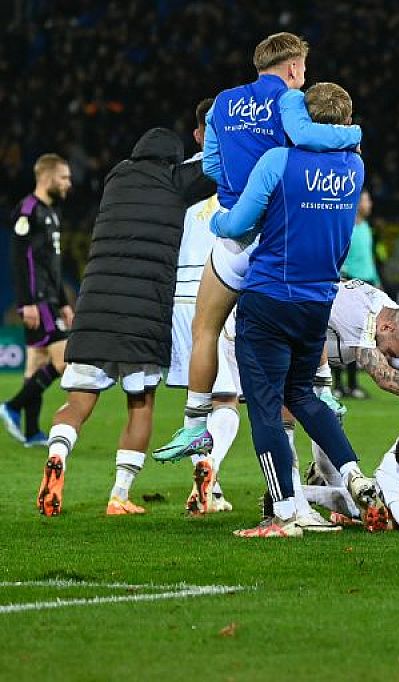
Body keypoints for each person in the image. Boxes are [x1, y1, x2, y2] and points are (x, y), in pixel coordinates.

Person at [155, 31, 361, 463]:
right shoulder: (290, 100)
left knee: (204, 327)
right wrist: (352, 136)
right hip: (279, 231)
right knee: (305, 303)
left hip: (234, 237)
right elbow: (308, 139)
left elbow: (211, 164)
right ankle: (323, 394)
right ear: (292, 67)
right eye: (302, 68)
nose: (302, 76)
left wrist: (234, 194)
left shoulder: (223, 102)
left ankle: (195, 423)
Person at [207, 82, 366, 538]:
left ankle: (284, 513)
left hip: (269, 297)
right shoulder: (355, 165)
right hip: (317, 304)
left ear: (300, 119)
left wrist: (216, 220)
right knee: (303, 397)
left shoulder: (278, 160)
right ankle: (354, 473)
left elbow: (239, 223)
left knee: (264, 408)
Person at [35, 128, 216, 517]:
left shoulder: (116, 176)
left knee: (76, 403)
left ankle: (57, 456)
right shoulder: (176, 180)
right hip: (143, 315)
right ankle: (119, 495)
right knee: (140, 404)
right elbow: (218, 170)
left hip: (95, 309)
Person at [167, 98, 238, 515]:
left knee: (198, 399)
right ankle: (210, 469)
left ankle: (209, 485)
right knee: (226, 401)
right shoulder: (241, 172)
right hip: (221, 293)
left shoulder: (174, 179)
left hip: (179, 298)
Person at [1, 154, 73, 447]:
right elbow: (21, 260)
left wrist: (64, 303)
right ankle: (12, 406)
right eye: (64, 177)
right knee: (64, 361)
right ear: (47, 177)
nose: (69, 183)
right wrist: (26, 303)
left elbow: (51, 264)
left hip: (51, 299)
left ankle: (31, 432)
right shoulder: (27, 210)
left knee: (36, 364)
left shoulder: (51, 212)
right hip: (38, 300)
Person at [338, 189, 381, 399]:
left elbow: (369, 259)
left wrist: (377, 283)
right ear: (356, 204)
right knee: (343, 335)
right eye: (366, 200)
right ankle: (338, 385)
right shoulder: (345, 228)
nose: (369, 204)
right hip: (350, 283)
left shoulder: (366, 228)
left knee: (361, 336)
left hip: (368, 284)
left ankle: (353, 384)